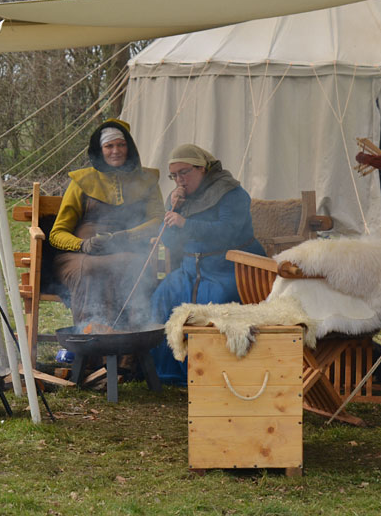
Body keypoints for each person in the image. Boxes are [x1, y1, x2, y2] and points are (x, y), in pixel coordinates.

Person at [150, 144, 265, 385]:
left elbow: (229, 232)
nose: (179, 180)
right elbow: (169, 240)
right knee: (162, 295)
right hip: (190, 270)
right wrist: (173, 210)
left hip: (229, 268)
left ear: (202, 168)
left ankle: (212, 375)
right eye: (174, 175)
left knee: (216, 300)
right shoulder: (180, 198)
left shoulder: (231, 193)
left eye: (184, 172)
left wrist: (185, 223)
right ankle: (168, 372)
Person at [49, 118, 164, 328]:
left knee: (135, 266)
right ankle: (91, 337)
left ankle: (129, 342)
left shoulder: (147, 180)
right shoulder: (82, 181)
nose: (115, 151)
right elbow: (57, 233)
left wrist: (126, 236)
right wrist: (83, 244)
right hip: (80, 255)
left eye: (121, 145)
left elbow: (158, 220)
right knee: (89, 270)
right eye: (109, 146)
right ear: (99, 150)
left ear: (129, 147)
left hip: (128, 250)